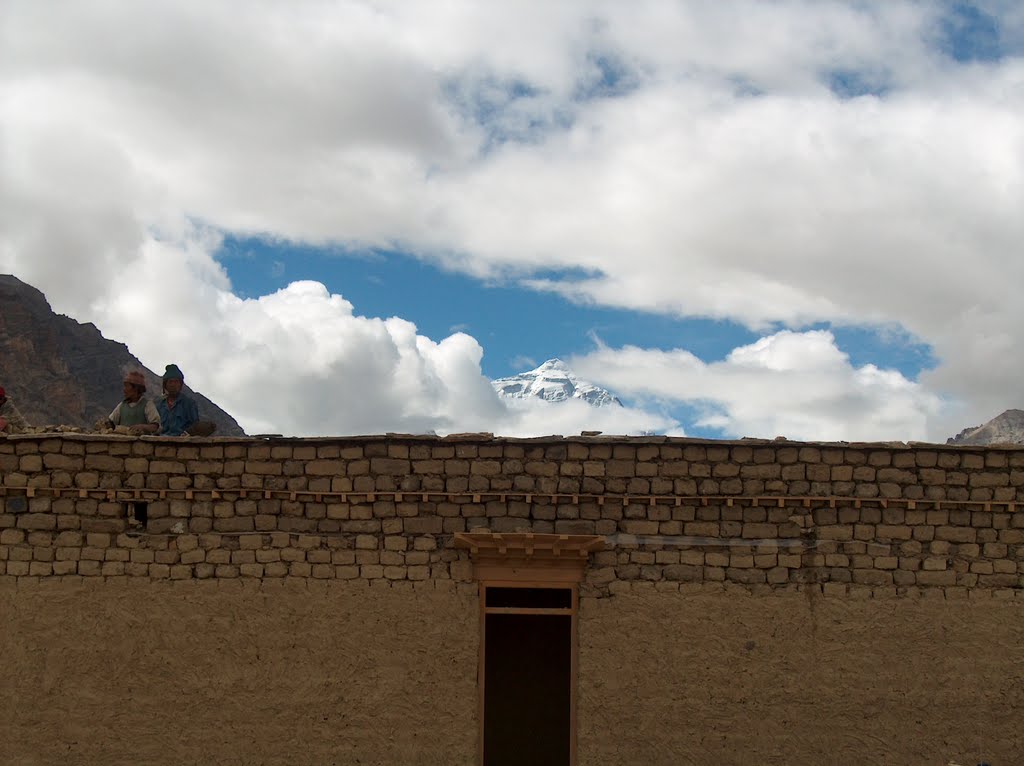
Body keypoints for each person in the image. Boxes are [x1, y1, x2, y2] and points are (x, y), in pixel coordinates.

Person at [157, 363, 200, 436]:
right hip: (160, 442)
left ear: (181, 384)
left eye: (176, 382)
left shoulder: (189, 404)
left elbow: (195, 425)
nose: (173, 385)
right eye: (170, 382)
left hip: (182, 443)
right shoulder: (159, 405)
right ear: (165, 385)